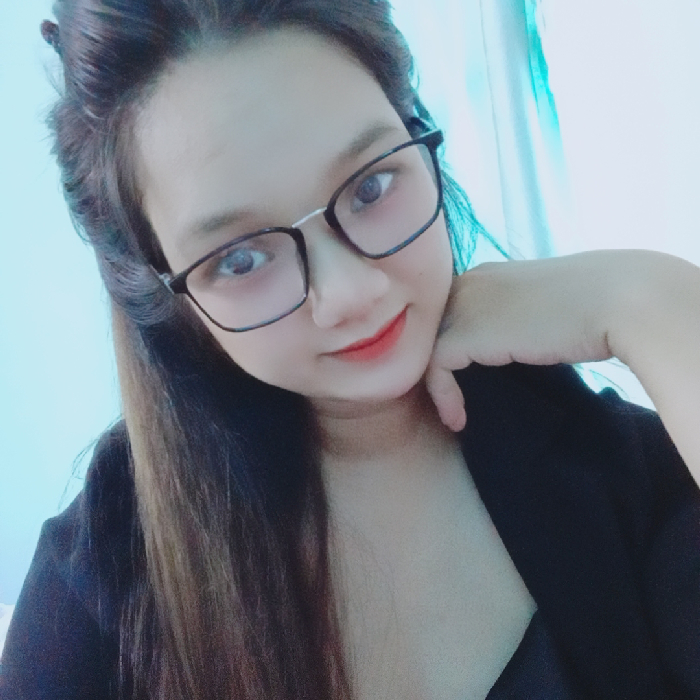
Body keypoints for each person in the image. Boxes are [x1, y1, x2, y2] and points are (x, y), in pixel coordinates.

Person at [1, 0, 699, 698]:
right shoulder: (101, 581)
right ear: (166, 294)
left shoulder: (619, 472)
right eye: (241, 259)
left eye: (370, 186)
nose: (350, 293)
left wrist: (654, 301)